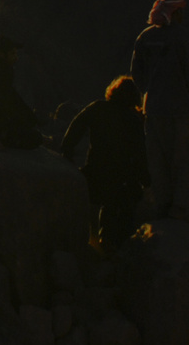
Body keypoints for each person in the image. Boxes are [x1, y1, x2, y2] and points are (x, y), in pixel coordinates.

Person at [129, 0, 189, 221]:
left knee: (159, 160)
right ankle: (181, 209)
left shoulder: (144, 38)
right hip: (181, 111)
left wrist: (151, 94)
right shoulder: (183, 38)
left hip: (153, 110)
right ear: (176, 13)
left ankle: (163, 205)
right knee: (185, 161)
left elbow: (137, 75)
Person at [61, 76, 152, 252]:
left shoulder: (98, 108)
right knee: (120, 206)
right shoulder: (133, 121)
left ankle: (94, 244)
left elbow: (76, 126)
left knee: (98, 201)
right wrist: (146, 181)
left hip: (95, 173)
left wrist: (67, 151)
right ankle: (113, 247)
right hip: (122, 179)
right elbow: (141, 154)